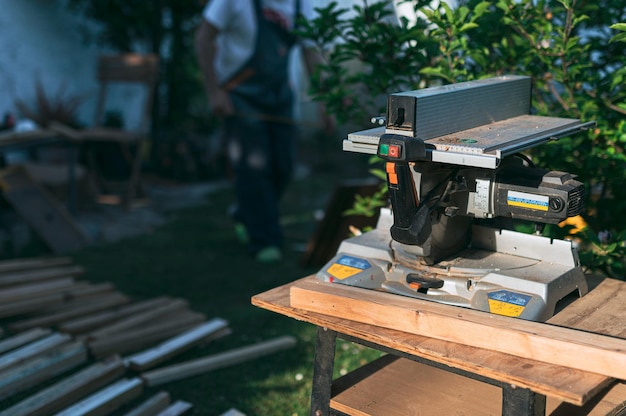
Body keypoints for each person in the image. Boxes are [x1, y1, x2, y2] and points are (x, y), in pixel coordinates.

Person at [195, 0, 334, 262]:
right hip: (239, 95)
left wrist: (326, 103)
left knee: (284, 167)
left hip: (279, 97)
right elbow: (203, 39)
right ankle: (265, 240)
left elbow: (310, 53)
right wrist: (214, 91)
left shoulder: (299, 5)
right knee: (254, 169)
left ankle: (244, 212)